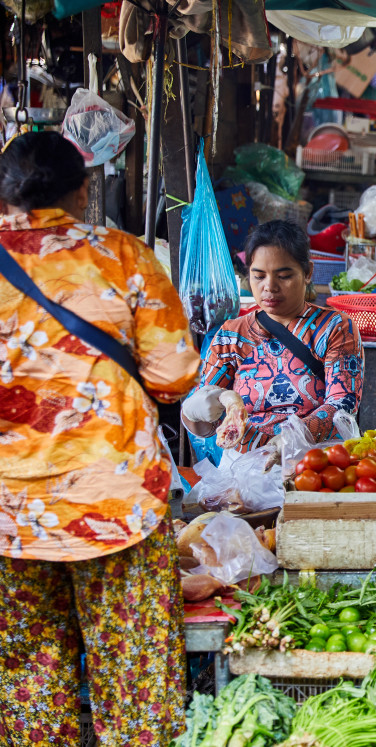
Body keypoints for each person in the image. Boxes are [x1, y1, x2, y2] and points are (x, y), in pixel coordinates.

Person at [0, 131, 200, 744]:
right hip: (116, 502)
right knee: (134, 672)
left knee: (28, 676)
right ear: (83, 190)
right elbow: (174, 375)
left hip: (9, 513)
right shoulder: (123, 256)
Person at [182, 220, 364, 453]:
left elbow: (342, 406)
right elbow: (211, 423)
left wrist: (290, 440)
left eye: (284, 276)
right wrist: (193, 413)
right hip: (244, 470)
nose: (270, 286)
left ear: (308, 272)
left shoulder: (334, 328)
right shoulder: (231, 337)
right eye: (259, 276)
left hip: (314, 463)